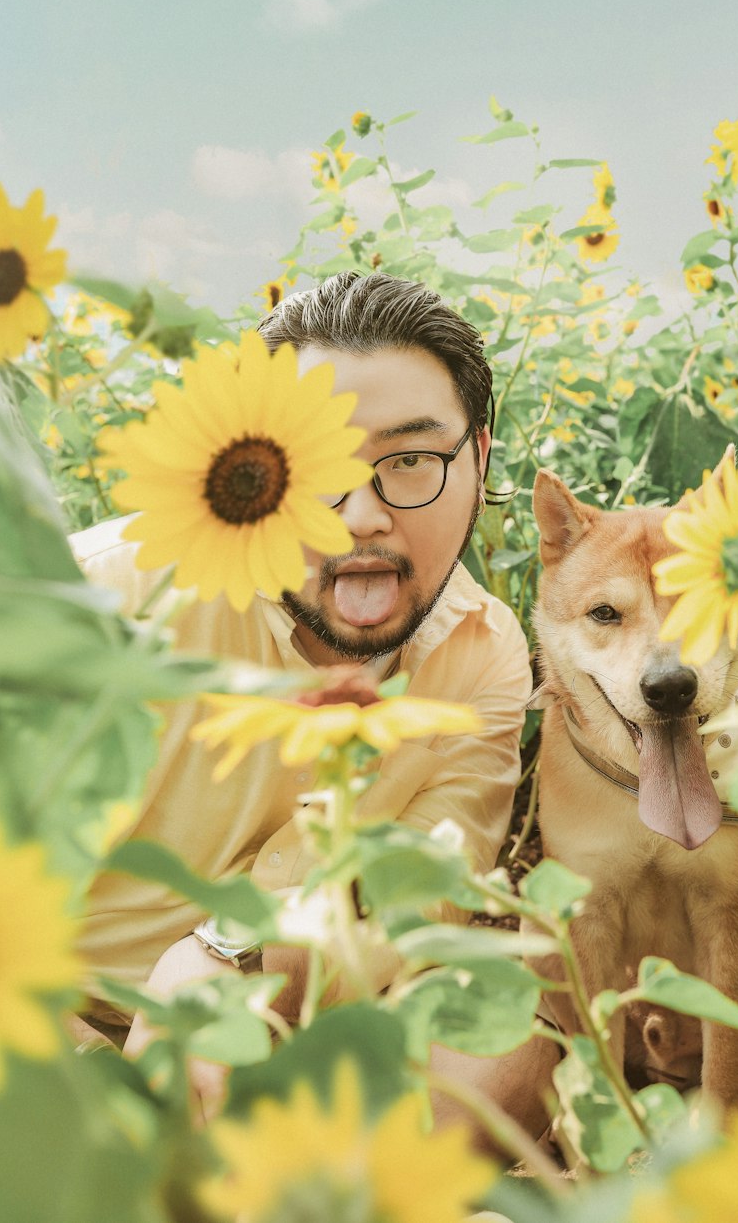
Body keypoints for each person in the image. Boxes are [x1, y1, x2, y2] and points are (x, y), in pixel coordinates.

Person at [68, 270, 550, 1129]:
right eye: (316, 468)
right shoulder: (110, 600)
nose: (361, 515)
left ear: (478, 460)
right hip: (46, 1017)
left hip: (283, 1028)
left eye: (409, 460)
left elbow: (410, 895)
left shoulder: (482, 655)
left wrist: (229, 956)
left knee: (503, 1049)